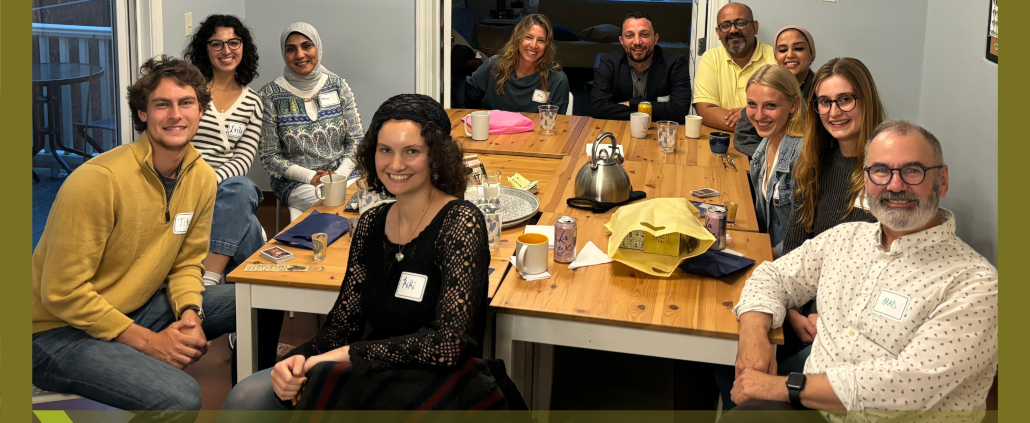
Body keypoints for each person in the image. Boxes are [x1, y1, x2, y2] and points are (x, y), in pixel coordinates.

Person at [222, 94, 492, 413]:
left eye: (412, 152)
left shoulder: (460, 221)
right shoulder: (370, 223)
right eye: (385, 150)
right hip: (374, 368)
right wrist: (301, 358)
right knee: (246, 398)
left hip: (439, 384)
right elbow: (342, 325)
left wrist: (342, 356)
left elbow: (448, 345)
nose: (395, 164)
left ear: (436, 156)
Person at [722, 120, 998, 423]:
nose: (895, 185)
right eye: (881, 171)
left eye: (913, 170)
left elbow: (905, 388)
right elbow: (772, 277)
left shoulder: (976, 283)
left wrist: (783, 386)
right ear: (866, 180)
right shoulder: (846, 239)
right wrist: (753, 335)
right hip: (813, 409)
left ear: (942, 180)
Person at [31, 56, 234, 422]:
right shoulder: (98, 181)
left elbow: (187, 263)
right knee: (180, 398)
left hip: (134, 304)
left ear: (201, 110)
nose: (175, 114)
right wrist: (150, 342)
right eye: (162, 104)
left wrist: (190, 315)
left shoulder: (201, 177)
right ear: (143, 114)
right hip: (56, 331)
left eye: (186, 103)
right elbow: (62, 291)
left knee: (251, 298)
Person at [183, 13, 284, 374]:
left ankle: (209, 281)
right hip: (186, 186)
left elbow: (243, 160)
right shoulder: (190, 93)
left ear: (243, 48)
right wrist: (198, 183)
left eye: (233, 43)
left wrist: (211, 185)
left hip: (227, 189)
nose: (226, 50)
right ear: (205, 48)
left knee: (241, 187)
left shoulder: (254, 102)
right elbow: (181, 146)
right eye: (216, 43)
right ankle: (251, 344)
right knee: (254, 245)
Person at [775, 57, 885, 374]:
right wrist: (791, 309)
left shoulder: (887, 173)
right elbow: (795, 245)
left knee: (772, 378)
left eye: (845, 99)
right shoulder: (816, 162)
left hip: (853, 327)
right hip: (805, 309)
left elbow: (886, 271)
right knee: (729, 357)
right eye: (824, 101)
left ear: (867, 99)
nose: (834, 112)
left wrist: (828, 319)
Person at [258, 22, 364, 221]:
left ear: (317, 47)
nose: (300, 55)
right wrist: (311, 177)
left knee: (366, 207)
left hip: (345, 174)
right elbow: (270, 156)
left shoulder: (338, 86)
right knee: (333, 207)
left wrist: (338, 177)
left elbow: (357, 140)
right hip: (298, 183)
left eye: (307, 46)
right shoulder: (269, 96)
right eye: (291, 49)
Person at [745, 65, 805, 256]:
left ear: (793, 105)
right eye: (752, 104)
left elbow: (804, 238)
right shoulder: (765, 145)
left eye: (771, 106)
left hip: (788, 266)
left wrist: (762, 254)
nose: (759, 115)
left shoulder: (801, 156)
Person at [590, 11, 691, 123]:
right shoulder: (609, 62)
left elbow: (680, 111)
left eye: (644, 35)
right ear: (622, 41)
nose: (637, 42)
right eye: (629, 35)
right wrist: (656, 110)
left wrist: (633, 103)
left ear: (655, 39)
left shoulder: (676, 63)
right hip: (619, 130)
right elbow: (598, 108)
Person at [735, 25, 817, 158]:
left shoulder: (823, 93)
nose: (790, 55)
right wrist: (772, 159)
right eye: (783, 50)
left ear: (811, 53)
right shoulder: (768, 83)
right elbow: (744, 137)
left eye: (799, 48)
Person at [693, 2, 777, 131]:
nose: (733, 30)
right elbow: (705, 111)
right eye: (726, 25)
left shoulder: (776, 59)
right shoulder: (711, 58)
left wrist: (744, 116)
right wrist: (752, 121)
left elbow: (781, 112)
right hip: (721, 141)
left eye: (740, 23)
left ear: (755, 27)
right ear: (718, 32)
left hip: (765, 143)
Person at [466, 14, 570, 114]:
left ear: (547, 46)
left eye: (541, 40)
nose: (533, 45)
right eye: (528, 37)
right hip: (492, 130)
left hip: (536, 132)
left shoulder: (557, 80)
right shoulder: (494, 66)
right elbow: (467, 97)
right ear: (518, 39)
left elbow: (557, 123)